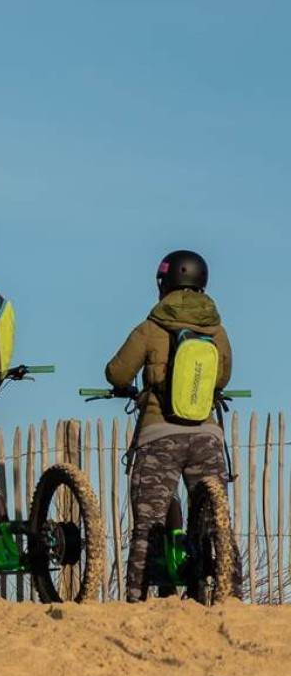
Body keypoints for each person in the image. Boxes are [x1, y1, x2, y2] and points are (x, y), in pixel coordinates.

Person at [105, 249, 235, 602]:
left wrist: (127, 386)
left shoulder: (151, 326)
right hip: (206, 435)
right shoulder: (217, 329)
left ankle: (135, 601)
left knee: (148, 527)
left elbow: (117, 372)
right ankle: (229, 597)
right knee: (215, 524)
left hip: (159, 434)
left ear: (164, 283)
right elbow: (222, 376)